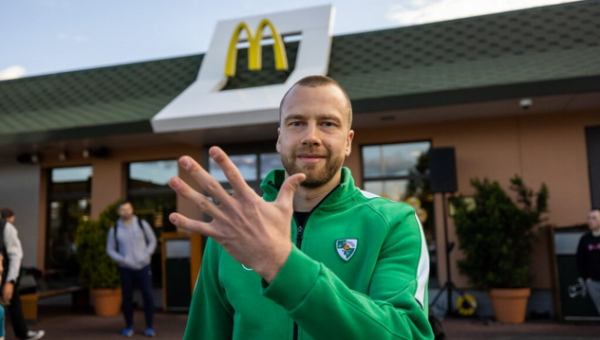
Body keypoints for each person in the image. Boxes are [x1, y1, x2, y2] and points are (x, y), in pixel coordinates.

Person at [168, 75, 433, 339]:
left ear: (348, 141)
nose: (311, 137)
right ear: (279, 138)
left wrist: (282, 264)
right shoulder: (236, 228)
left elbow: (405, 333)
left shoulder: (393, 222)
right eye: (297, 123)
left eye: (327, 123)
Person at [106, 201, 157, 337]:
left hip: (143, 266)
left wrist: (146, 255)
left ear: (132, 210)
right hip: (126, 268)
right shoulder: (115, 229)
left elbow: (152, 241)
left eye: (128, 209)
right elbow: (110, 249)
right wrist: (122, 259)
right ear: (119, 212)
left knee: (148, 296)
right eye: (123, 210)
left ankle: (149, 327)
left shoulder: (142, 224)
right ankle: (129, 327)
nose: (126, 212)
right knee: (127, 298)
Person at [0, 209, 45, 340]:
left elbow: (16, 255)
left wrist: (10, 281)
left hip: (6, 275)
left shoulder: (5, 227)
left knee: (12, 304)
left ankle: (23, 334)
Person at [576, 208, 600, 314]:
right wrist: (587, 279)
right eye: (589, 218)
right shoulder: (584, 239)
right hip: (593, 282)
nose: (590, 221)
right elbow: (580, 260)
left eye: (594, 218)